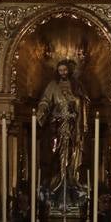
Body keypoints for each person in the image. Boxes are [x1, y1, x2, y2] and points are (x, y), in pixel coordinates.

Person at [36, 59, 89, 198]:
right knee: (56, 152)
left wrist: (78, 108)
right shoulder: (53, 85)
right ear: (57, 71)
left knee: (73, 151)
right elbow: (45, 101)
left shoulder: (77, 85)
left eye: (65, 70)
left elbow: (84, 102)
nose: (63, 73)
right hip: (57, 126)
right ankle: (56, 181)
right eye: (60, 70)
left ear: (69, 71)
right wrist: (42, 110)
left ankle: (71, 179)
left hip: (73, 127)